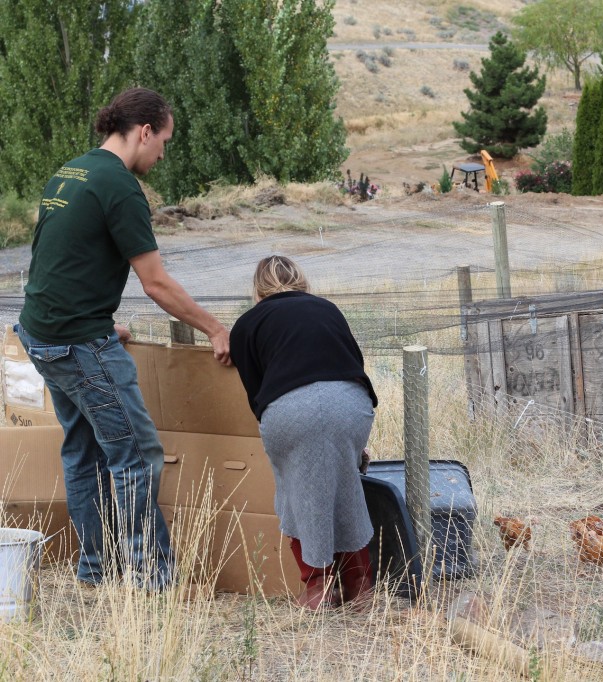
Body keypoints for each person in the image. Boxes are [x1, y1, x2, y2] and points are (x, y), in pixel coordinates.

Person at [16, 88, 232, 590]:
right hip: (76, 345)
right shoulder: (120, 186)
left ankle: (95, 568)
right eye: (164, 142)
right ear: (144, 132)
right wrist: (215, 328)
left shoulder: (70, 171)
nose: (163, 154)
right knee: (136, 455)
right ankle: (149, 578)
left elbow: (58, 256)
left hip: (41, 333)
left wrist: (92, 315)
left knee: (82, 451)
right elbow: (155, 282)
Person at [229, 255, 378, 610]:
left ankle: (318, 589)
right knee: (346, 482)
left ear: (258, 290)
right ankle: (360, 587)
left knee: (295, 490)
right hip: (352, 404)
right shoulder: (328, 309)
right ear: (302, 281)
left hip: (290, 408)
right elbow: (353, 362)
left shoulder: (247, 324)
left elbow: (256, 394)